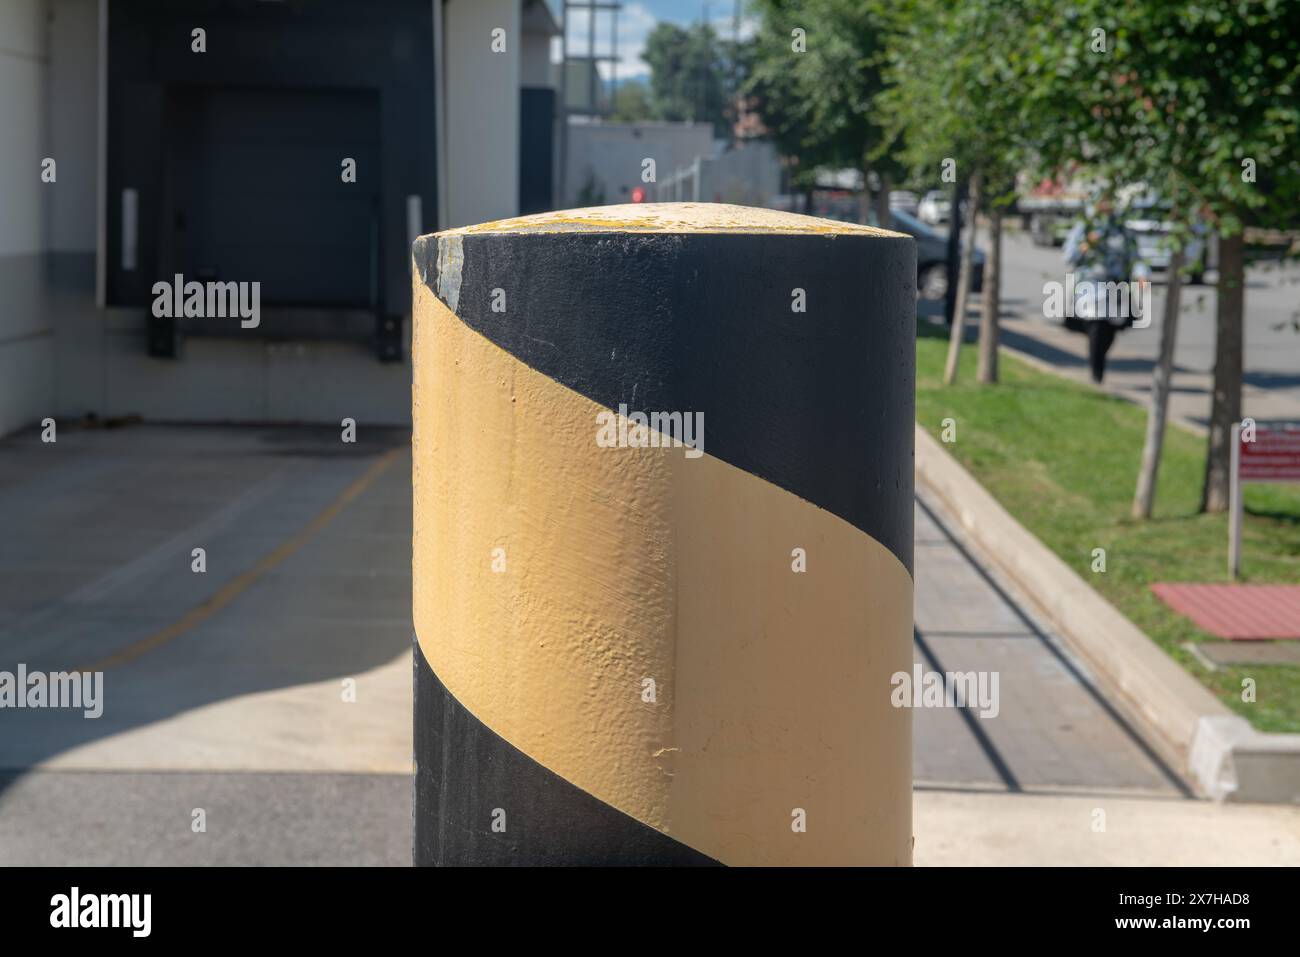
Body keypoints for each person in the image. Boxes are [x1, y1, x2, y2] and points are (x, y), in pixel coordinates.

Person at [1062, 195, 1150, 383]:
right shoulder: (1085, 228)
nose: (1105, 206)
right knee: (1096, 327)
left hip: (1116, 289)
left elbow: (1135, 257)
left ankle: (1098, 360)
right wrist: (1085, 245)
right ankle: (1096, 372)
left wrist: (1141, 275)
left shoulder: (1122, 231)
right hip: (1090, 287)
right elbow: (1069, 258)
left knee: (1109, 332)